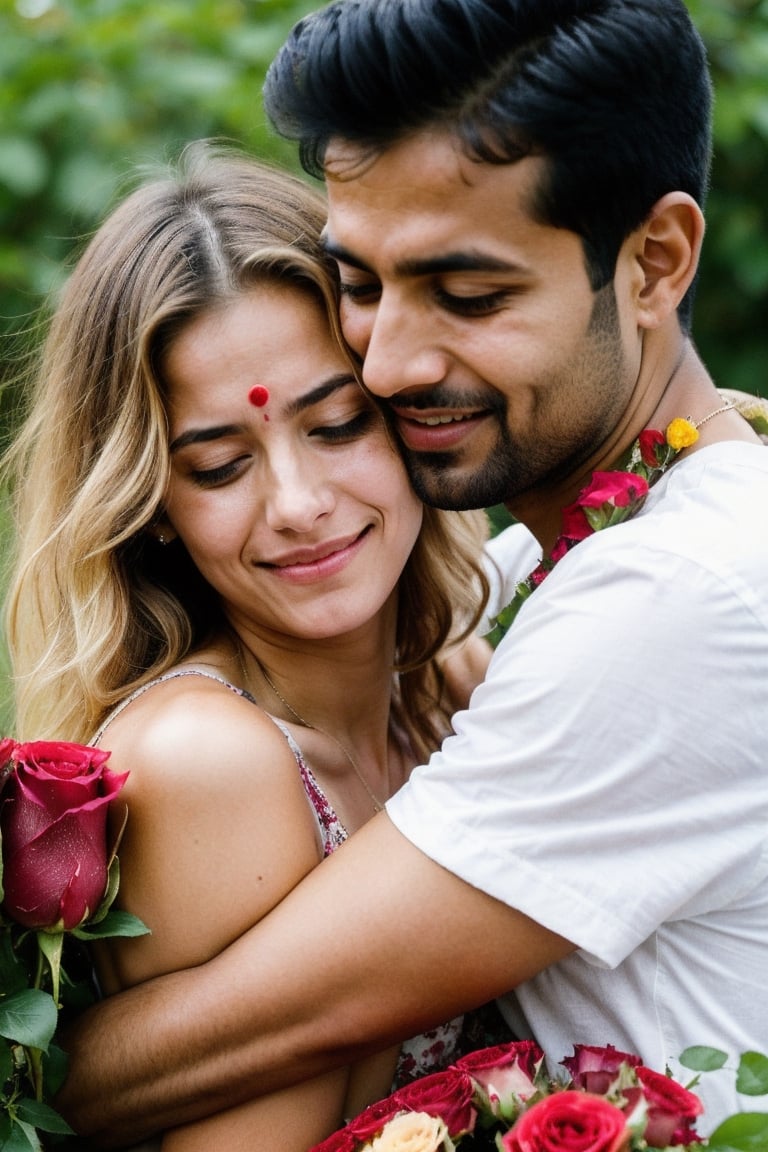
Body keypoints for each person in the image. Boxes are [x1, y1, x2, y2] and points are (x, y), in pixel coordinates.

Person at [56, 0, 768, 1143]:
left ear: (656, 262)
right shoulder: (551, 562)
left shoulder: (670, 593)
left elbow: (283, 1021)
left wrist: (38, 1071)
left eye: (470, 295)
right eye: (363, 284)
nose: (388, 362)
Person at [1, 144, 496, 1149]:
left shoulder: (457, 685)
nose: (300, 505)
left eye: (340, 423)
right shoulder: (207, 761)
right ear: (156, 508)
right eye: (222, 466)